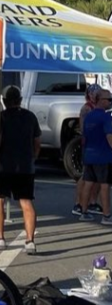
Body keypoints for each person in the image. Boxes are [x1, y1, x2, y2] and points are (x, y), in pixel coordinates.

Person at [0, 86, 42, 252]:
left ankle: (0, 238)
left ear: (4, 101)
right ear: (20, 100)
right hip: (25, 165)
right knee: (26, 202)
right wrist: (33, 157)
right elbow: (37, 141)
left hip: (3, 165)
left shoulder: (1, 117)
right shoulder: (30, 116)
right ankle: (30, 241)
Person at [79, 88, 112, 225]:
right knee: (105, 186)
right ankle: (106, 215)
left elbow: (84, 136)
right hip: (103, 156)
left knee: (88, 183)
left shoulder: (89, 116)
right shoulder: (106, 117)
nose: (110, 102)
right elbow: (110, 138)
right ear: (101, 101)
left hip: (89, 154)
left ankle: (84, 211)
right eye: (109, 99)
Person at [73, 83, 104, 218]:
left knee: (97, 176)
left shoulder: (98, 108)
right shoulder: (86, 109)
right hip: (90, 146)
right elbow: (85, 128)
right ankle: (78, 204)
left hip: (99, 146)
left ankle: (92, 202)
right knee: (86, 176)